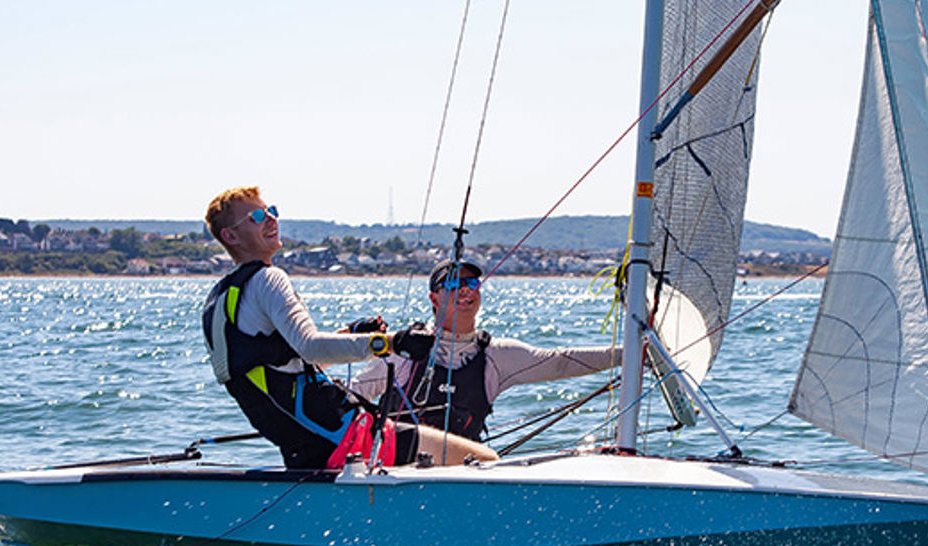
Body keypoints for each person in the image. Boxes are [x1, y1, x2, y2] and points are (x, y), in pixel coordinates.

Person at [201, 186, 498, 469]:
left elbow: (288, 360)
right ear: (231, 236)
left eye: (271, 211)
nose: (271, 219)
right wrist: (392, 342)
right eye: (256, 217)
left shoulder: (222, 298)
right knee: (485, 460)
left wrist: (353, 333)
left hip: (306, 445)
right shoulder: (269, 278)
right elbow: (310, 346)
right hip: (347, 437)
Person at [349, 259, 621, 442]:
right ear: (434, 298)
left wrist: (626, 355)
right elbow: (354, 394)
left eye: (471, 284)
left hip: (465, 472)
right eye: (454, 284)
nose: (465, 291)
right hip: (399, 471)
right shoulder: (404, 350)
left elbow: (559, 362)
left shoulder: (496, 356)